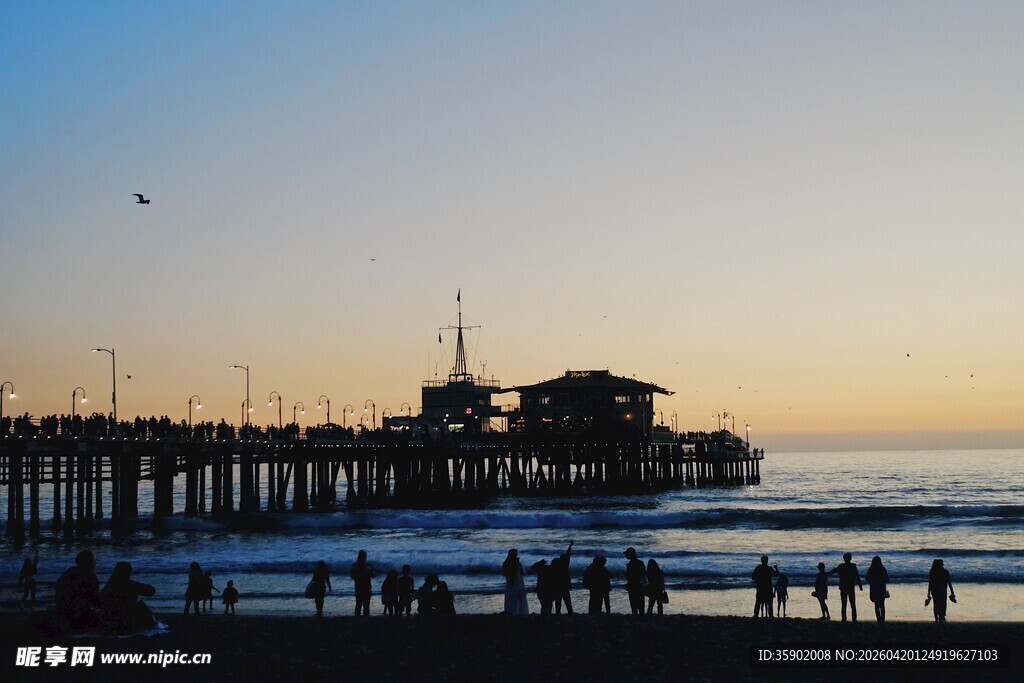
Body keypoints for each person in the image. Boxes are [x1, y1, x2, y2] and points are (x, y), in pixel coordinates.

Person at [99, 561, 156, 634]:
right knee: (140, 605)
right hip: (126, 624)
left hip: (109, 624)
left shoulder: (107, 587)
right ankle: (153, 624)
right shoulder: (130, 585)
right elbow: (151, 591)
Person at [55, 550, 101, 630]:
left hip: (63, 612)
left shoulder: (69, 573)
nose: (95, 563)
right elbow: (95, 600)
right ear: (90, 563)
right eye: (94, 561)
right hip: (78, 616)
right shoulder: (90, 577)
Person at [828, 553, 863, 622]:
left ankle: (844, 617)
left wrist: (826, 574)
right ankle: (854, 617)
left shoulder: (841, 566)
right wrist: (860, 585)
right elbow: (857, 576)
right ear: (850, 558)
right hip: (851, 586)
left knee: (844, 603)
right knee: (852, 603)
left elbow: (834, 571)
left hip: (843, 586)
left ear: (844, 559)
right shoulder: (853, 566)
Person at [501, 549, 529, 615]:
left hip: (510, 584)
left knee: (510, 599)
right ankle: (520, 612)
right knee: (519, 598)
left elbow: (504, 573)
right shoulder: (518, 563)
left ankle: (510, 612)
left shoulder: (506, 563)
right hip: (518, 583)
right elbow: (524, 573)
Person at [350, 550, 375, 617]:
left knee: (358, 604)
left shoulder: (354, 566)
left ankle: (357, 618)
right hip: (367, 587)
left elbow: (352, 576)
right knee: (366, 605)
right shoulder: (368, 566)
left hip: (358, 587)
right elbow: (373, 576)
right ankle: (365, 619)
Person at [551, 541, 574, 614]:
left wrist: (570, 546)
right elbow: (568, 555)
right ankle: (570, 612)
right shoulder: (564, 567)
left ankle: (558, 613)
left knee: (558, 600)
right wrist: (570, 546)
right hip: (564, 585)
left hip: (557, 585)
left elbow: (568, 555)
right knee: (567, 600)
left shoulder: (555, 566)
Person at [624, 547, 647, 616]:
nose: (626, 555)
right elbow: (643, 574)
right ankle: (641, 617)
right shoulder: (640, 562)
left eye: (627, 554)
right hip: (640, 585)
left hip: (632, 585)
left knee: (633, 603)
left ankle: (636, 616)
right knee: (641, 603)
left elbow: (629, 576)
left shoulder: (630, 564)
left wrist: (626, 572)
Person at [866, 556, 889, 623]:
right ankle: (882, 619)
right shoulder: (882, 568)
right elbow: (887, 578)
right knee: (882, 604)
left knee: (876, 604)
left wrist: (873, 581)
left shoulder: (871, 569)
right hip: (881, 587)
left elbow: (867, 578)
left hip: (874, 588)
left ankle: (879, 619)